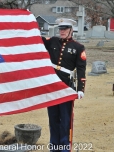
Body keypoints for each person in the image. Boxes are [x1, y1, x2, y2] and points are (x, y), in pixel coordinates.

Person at [42, 18, 86, 152]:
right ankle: (54, 146)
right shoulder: (52, 42)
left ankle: (64, 147)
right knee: (53, 119)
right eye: (60, 29)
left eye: (65, 29)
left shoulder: (78, 47)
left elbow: (81, 69)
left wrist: (80, 89)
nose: (62, 31)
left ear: (71, 30)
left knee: (65, 119)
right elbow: (37, 40)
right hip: (52, 87)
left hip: (66, 87)